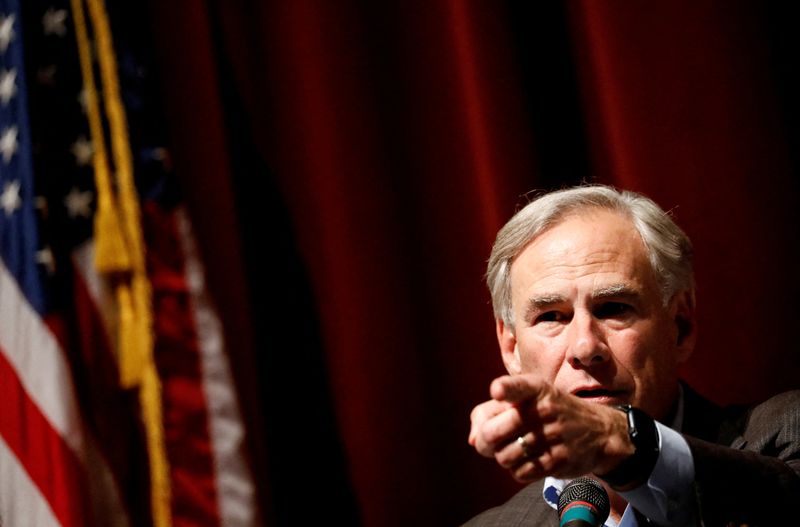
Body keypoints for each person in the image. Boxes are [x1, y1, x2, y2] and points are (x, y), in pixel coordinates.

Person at [463, 185, 800, 526]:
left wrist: (620, 441)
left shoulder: (788, 435)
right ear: (511, 346)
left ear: (680, 326)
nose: (585, 348)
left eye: (613, 309)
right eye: (550, 316)